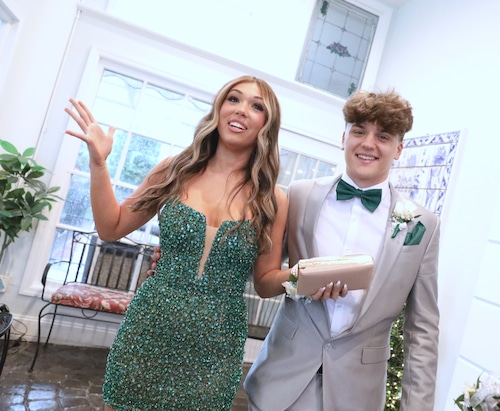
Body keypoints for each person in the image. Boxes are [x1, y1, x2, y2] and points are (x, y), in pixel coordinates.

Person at [64, 75, 291, 411]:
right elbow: (111, 227)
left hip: (216, 347)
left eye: (256, 106)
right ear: (219, 109)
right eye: (233, 99)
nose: (241, 110)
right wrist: (99, 164)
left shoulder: (272, 199)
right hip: (149, 330)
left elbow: (265, 282)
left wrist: (304, 276)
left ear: (266, 125)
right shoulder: (174, 170)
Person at [243, 90, 440, 410]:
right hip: (280, 384)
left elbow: (422, 331)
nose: (368, 144)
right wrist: (300, 280)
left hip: (357, 396)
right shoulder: (299, 196)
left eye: (383, 136)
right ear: (344, 137)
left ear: (398, 149)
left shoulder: (423, 225)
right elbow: (263, 275)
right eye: (359, 131)